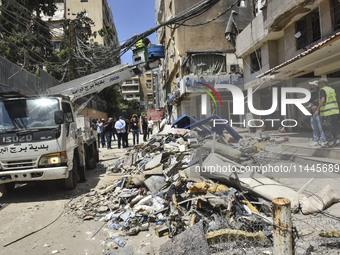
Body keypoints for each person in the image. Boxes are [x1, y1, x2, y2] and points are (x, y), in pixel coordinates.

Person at [314, 78, 340, 148]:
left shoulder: (323, 90)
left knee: (326, 127)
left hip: (327, 112)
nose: (318, 85)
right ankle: (337, 141)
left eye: (319, 84)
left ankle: (330, 142)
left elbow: (323, 100)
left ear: (322, 84)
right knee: (335, 126)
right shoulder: (331, 89)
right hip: (335, 111)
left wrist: (317, 110)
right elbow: (330, 98)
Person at [306, 80, 326, 147]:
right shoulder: (312, 94)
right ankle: (316, 140)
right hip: (313, 113)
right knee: (314, 128)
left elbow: (323, 102)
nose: (311, 86)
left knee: (321, 128)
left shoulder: (321, 92)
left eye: (312, 85)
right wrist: (309, 106)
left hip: (319, 113)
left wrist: (317, 108)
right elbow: (311, 102)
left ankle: (323, 140)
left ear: (315, 86)